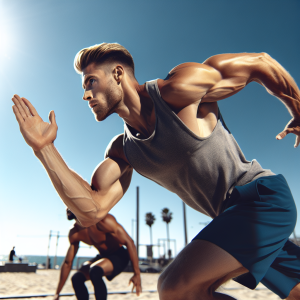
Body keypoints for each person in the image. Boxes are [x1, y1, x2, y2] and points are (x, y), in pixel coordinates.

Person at [12, 43, 300, 299]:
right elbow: (92, 210)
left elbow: (260, 63)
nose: (86, 95)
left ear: (117, 74)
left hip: (261, 199)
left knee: (175, 288)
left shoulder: (177, 91)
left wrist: (298, 111)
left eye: (90, 82)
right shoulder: (124, 150)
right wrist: (44, 149)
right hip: (232, 221)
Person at [54, 209, 141, 300]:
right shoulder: (74, 232)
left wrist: (137, 274)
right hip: (103, 256)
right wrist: (57, 293)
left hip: (120, 255)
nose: (67, 207)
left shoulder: (102, 220)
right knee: (77, 278)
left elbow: (129, 242)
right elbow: (68, 263)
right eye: (65, 204)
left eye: (69, 202)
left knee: (95, 271)